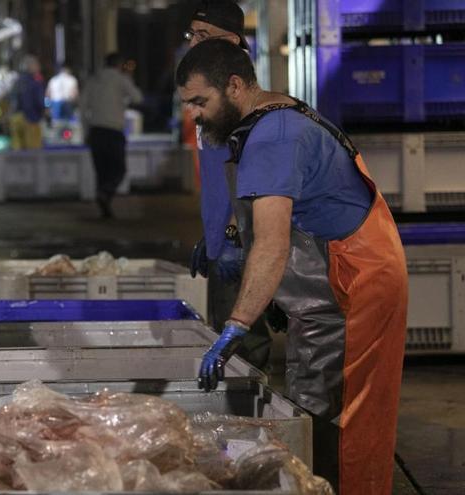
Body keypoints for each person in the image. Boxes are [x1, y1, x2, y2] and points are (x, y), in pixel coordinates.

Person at [177, 39, 407, 495]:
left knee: (342, 420)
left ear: (236, 86)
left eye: (200, 102)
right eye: (187, 105)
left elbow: (273, 245)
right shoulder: (271, 113)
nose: (194, 116)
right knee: (311, 401)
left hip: (354, 282)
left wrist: (237, 326)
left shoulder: (273, 138)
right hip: (331, 275)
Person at [184, 0, 274, 369]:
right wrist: (212, 232)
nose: (194, 43)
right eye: (192, 34)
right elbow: (218, 175)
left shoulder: (238, 99)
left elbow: (251, 174)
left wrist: (235, 232)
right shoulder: (211, 94)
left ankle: (253, 420)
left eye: (204, 35)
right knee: (229, 338)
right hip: (224, 237)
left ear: (232, 40)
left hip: (239, 241)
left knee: (242, 346)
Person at [81, 52, 143, 219]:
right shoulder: (121, 79)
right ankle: (106, 194)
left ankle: (104, 205)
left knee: (101, 171)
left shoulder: (93, 80)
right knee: (118, 169)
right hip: (114, 130)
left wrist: (85, 131)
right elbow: (137, 97)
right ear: (119, 64)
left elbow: (82, 107)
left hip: (96, 131)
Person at [9, 55, 45, 150]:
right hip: (31, 119)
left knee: (18, 151)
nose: (38, 67)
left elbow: (11, 99)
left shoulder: (17, 82)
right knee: (32, 152)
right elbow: (39, 101)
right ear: (30, 66)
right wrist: (43, 112)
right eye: (36, 65)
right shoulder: (35, 82)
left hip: (16, 118)